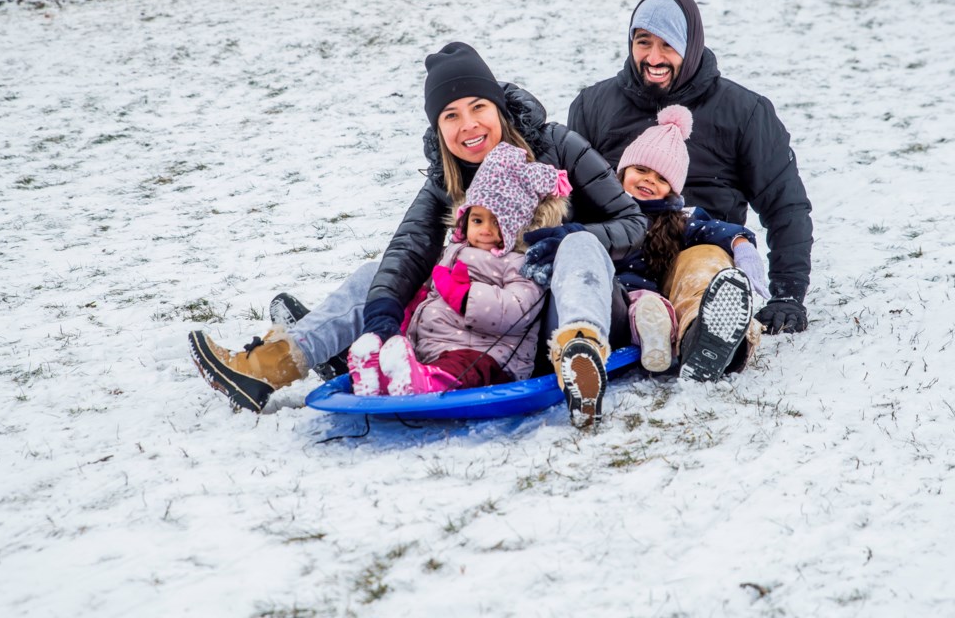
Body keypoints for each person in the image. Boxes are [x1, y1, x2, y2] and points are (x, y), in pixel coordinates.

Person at [188, 42, 647, 423]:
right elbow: (407, 250)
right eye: (450, 115)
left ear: (499, 107)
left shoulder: (558, 145)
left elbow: (633, 224)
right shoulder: (446, 181)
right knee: (377, 276)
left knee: (580, 243)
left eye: (478, 107)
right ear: (438, 126)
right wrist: (383, 315)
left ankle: (580, 356)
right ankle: (269, 367)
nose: (468, 125)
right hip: (486, 332)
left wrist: (564, 238)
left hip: (567, 313)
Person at [568, 0, 813, 345]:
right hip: (616, 254)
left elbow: (784, 203)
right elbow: (570, 194)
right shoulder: (594, 105)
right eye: (643, 42)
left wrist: (788, 293)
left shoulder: (744, 112)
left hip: (698, 246)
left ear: (691, 45)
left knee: (703, 267)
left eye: (668, 45)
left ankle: (707, 336)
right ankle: (578, 336)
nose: (654, 57)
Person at [349, 142, 570, 396]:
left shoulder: (521, 261)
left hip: (488, 355)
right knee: (419, 356)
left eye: (497, 222)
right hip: (434, 346)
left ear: (516, 223)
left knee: (461, 367)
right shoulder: (452, 252)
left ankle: (421, 383)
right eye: (477, 220)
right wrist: (414, 301)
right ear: (465, 219)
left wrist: (464, 296)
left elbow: (519, 308)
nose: (485, 229)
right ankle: (378, 377)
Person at [614, 104, 768, 380]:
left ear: (673, 190)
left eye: (662, 178)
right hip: (606, 300)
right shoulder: (596, 206)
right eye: (641, 169)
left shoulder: (678, 220)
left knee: (705, 255)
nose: (649, 180)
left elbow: (715, 230)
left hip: (652, 306)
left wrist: (741, 244)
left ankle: (702, 339)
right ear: (623, 170)